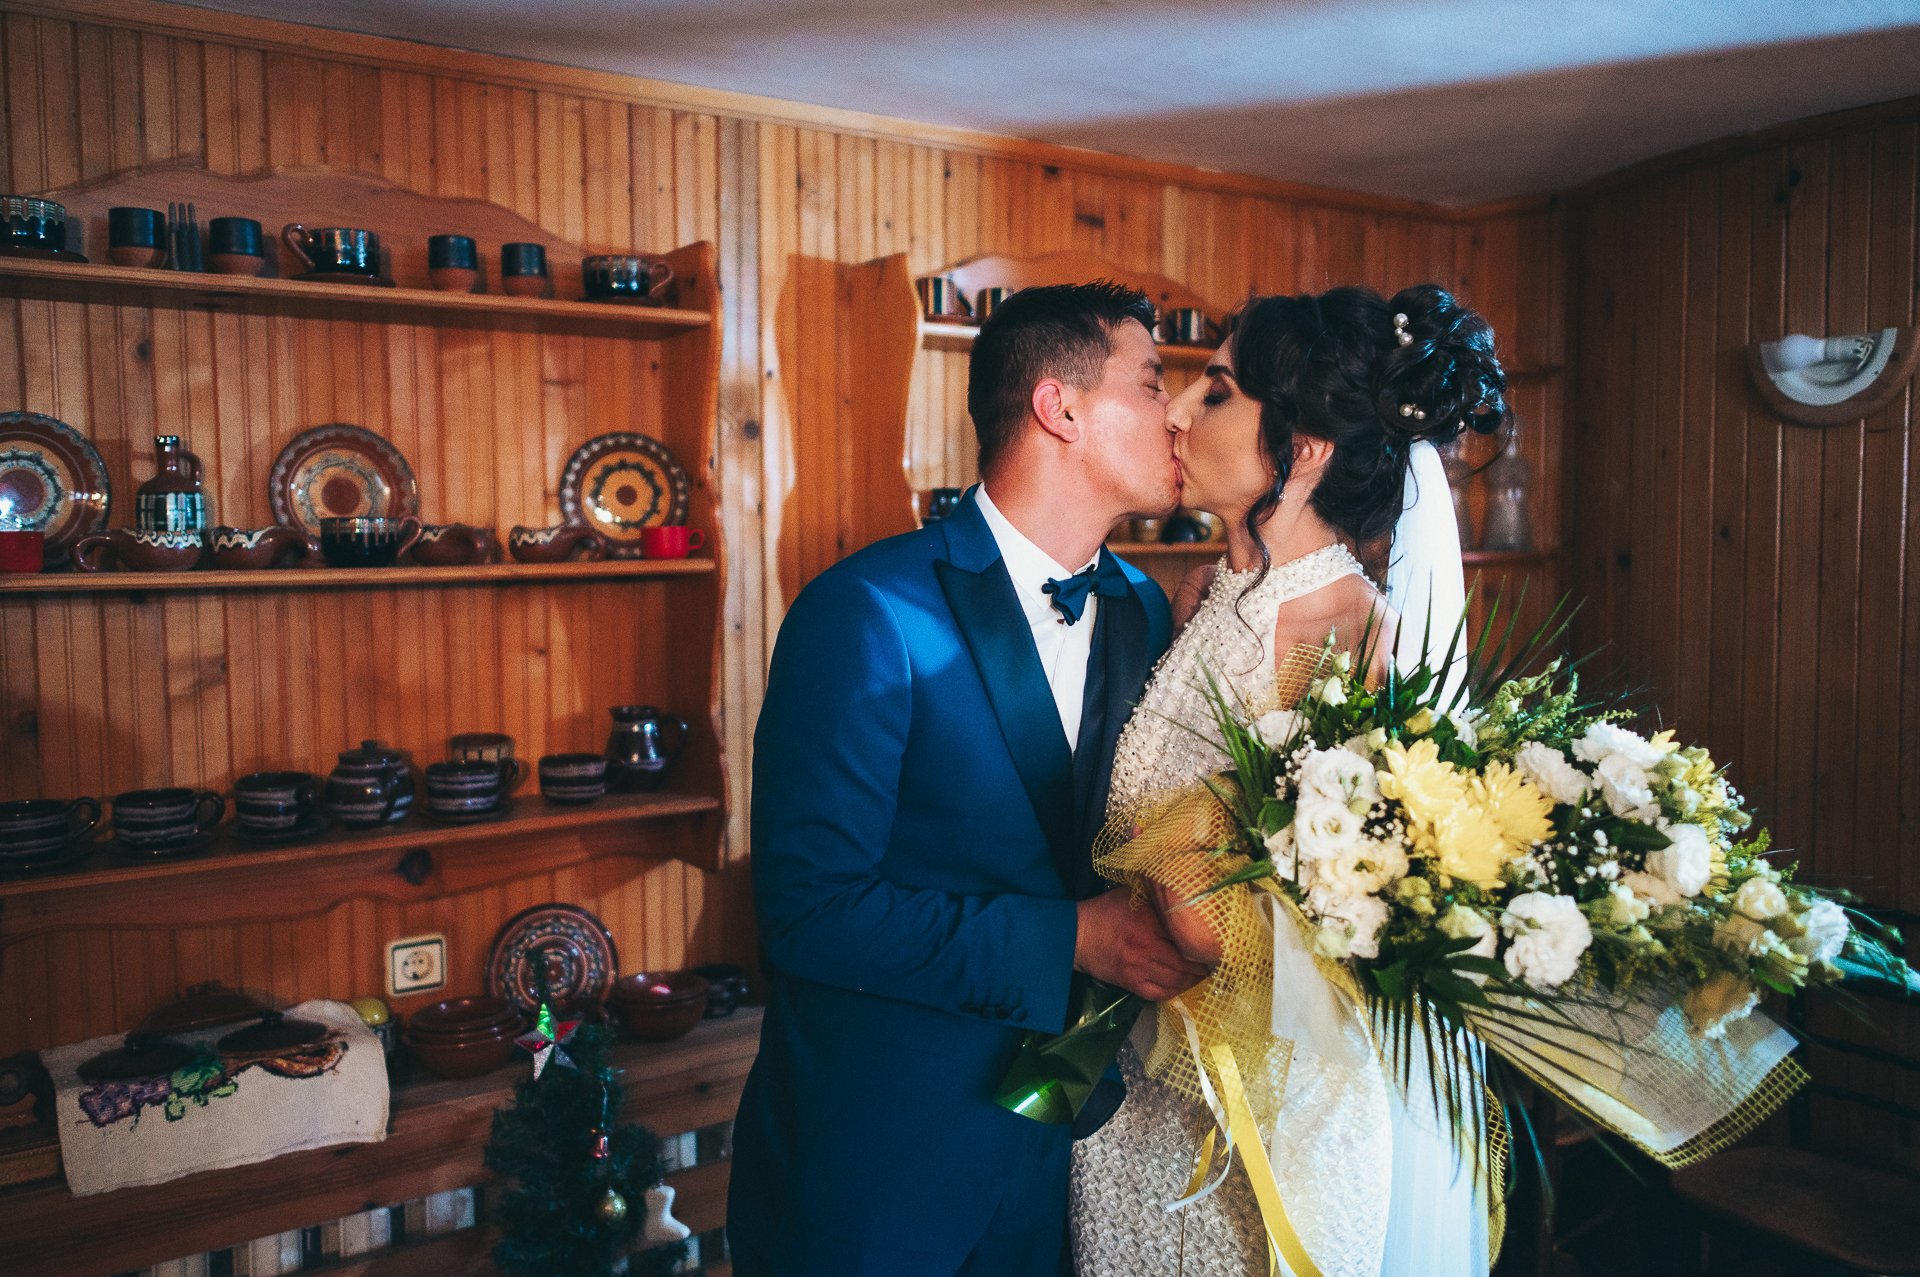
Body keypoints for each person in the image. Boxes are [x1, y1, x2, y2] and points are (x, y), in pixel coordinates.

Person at [729, 281, 1208, 1276]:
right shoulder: (866, 610)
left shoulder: (1141, 611)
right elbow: (809, 911)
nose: (1177, 416)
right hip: (878, 1169)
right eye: (1154, 383)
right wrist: (1077, 934)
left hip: (1065, 1152)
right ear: (1059, 405)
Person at [1069, 284, 1508, 1276]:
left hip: (1267, 1111)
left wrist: (1173, 899)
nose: (1178, 409)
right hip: (1147, 1086)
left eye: (1217, 391)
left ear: (1305, 448)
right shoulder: (1207, 588)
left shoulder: (1337, 627)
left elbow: (1327, 904)